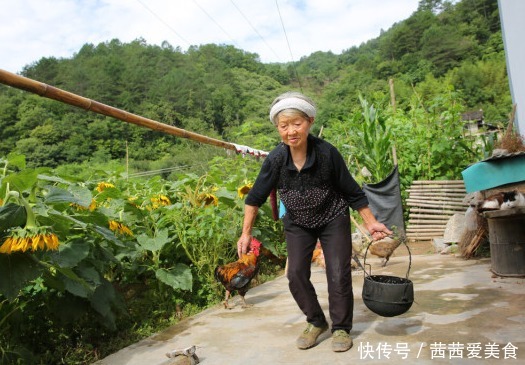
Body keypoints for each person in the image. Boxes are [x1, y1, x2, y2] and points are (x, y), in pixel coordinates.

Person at [236, 91, 392, 353]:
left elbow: (352, 191)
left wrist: (371, 222)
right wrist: (246, 234)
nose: (291, 131)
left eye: (297, 123)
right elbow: (254, 198)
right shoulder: (275, 160)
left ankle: (341, 327)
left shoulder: (327, 154)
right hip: (297, 222)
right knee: (296, 274)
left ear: (309, 121)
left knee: (338, 273)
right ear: (278, 128)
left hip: (332, 217)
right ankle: (316, 321)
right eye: (284, 126)